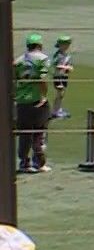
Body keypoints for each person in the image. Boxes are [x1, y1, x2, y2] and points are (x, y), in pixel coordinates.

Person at [12, 34, 50, 173]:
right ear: (40, 45)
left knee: (24, 134)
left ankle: (24, 163)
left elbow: (13, 80)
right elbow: (42, 79)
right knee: (39, 132)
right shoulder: (42, 59)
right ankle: (39, 163)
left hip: (22, 101)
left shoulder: (18, 61)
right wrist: (43, 96)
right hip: (36, 100)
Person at [49, 34, 74, 120]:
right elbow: (56, 65)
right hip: (58, 77)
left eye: (68, 44)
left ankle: (58, 109)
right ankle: (55, 111)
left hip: (64, 76)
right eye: (65, 44)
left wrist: (69, 67)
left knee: (62, 94)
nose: (67, 46)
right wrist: (66, 67)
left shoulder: (66, 55)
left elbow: (69, 64)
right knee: (60, 93)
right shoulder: (58, 55)